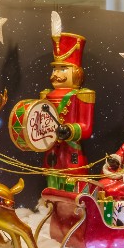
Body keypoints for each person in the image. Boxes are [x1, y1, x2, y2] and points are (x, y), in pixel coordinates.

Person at [40, 16, 95, 192]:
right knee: (52, 181)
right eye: (55, 69)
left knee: (73, 182)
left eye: (63, 69)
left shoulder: (83, 95)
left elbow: (86, 127)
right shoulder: (46, 95)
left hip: (72, 151)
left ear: (76, 72)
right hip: (52, 150)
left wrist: (70, 130)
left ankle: (74, 210)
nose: (56, 74)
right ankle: (54, 207)